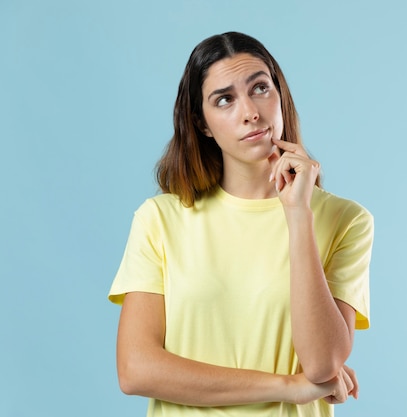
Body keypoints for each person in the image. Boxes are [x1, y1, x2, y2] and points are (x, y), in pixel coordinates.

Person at [108, 31, 374, 416]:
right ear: (202, 124)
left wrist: (299, 215)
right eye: (225, 99)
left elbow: (322, 363)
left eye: (260, 88)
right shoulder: (160, 219)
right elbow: (136, 370)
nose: (251, 111)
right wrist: (289, 386)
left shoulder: (346, 220)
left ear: (280, 95)